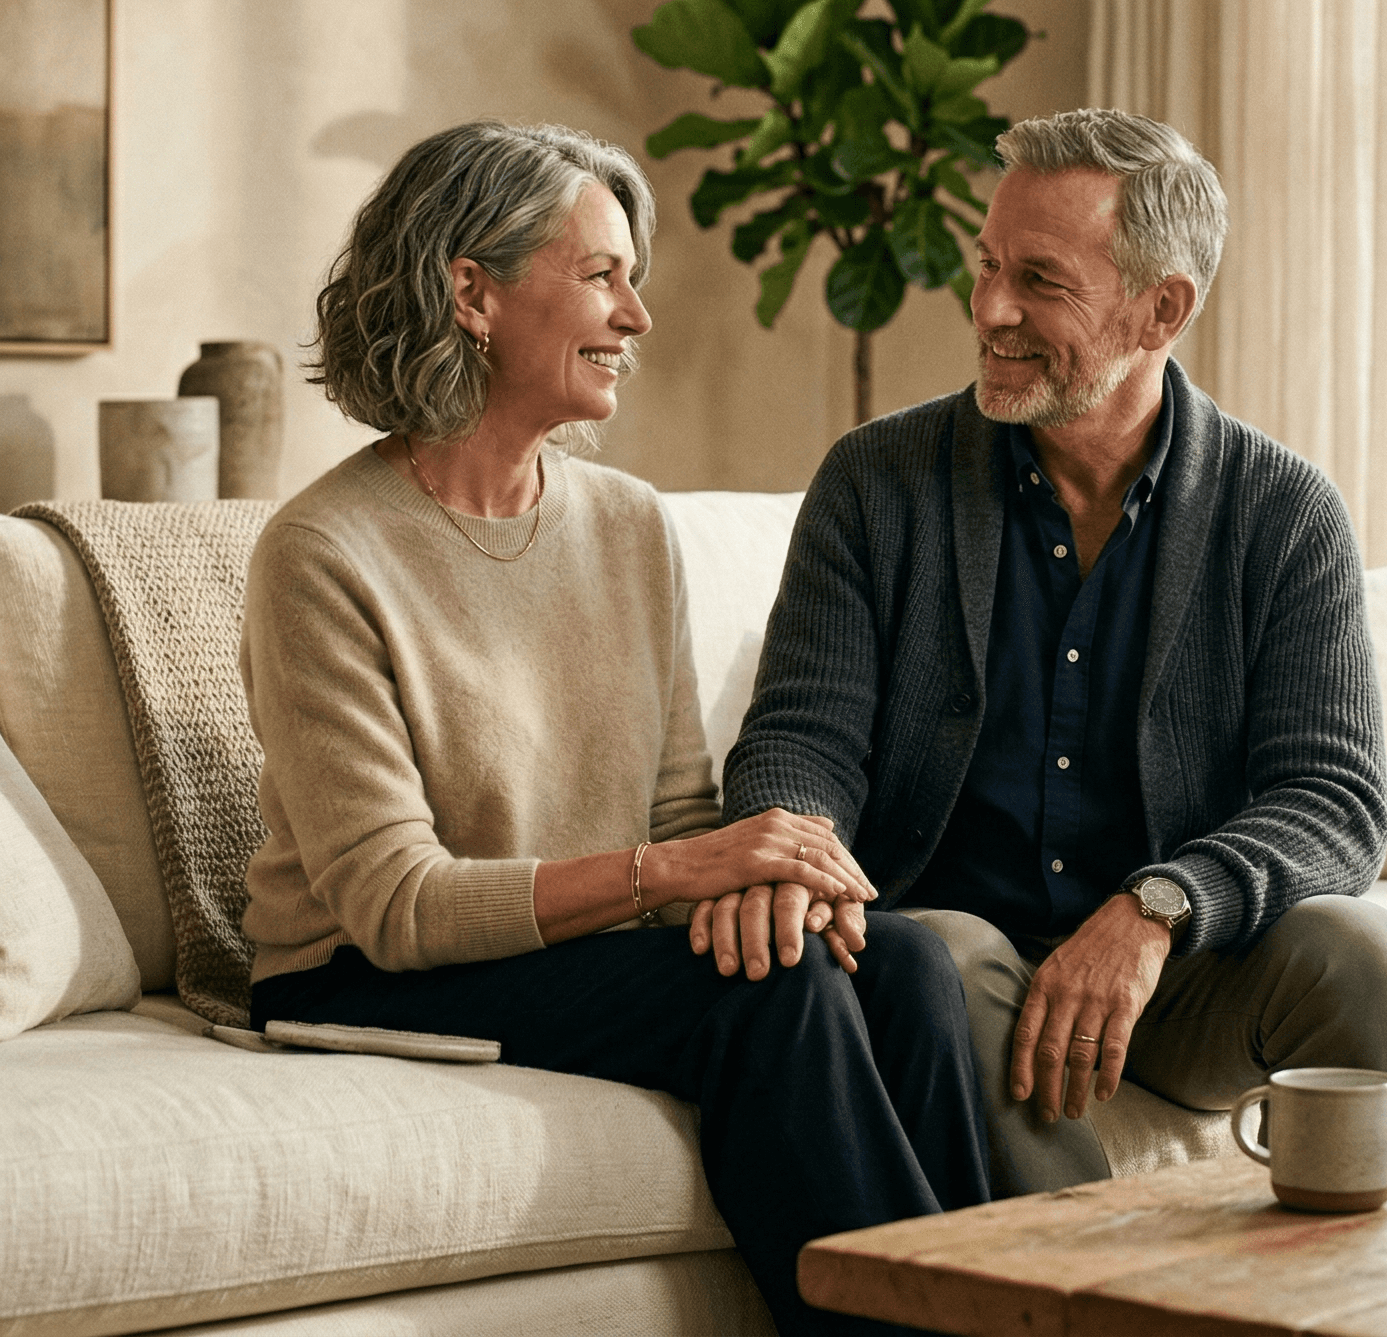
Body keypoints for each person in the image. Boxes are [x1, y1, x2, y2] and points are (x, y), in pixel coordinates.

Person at [239, 118, 991, 1335]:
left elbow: (682, 808)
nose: (636, 317)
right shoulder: (324, 552)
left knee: (898, 964)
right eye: (601, 276)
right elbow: (393, 902)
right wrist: (680, 874)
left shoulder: (629, 524)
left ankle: (993, 1312)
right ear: (471, 294)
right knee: (772, 996)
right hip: (360, 973)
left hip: (574, 947)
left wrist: (766, 889)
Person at [713, 107, 1387, 1197]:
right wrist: (792, 851)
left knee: (1362, 959)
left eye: (1040, 281)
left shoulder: (1283, 512)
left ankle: (1345, 1278)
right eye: (987, 265)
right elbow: (801, 737)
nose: (990, 308)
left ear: (1162, 308)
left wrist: (1158, 908)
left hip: (1180, 971)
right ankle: (1074, 1277)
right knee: (943, 959)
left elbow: (1331, 802)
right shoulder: (874, 481)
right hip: (957, 962)